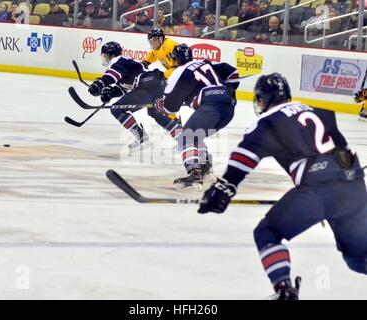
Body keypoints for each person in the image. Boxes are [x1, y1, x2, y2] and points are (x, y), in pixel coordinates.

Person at [198, 73, 367, 300]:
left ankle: (284, 291)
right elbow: (342, 150)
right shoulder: (318, 111)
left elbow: (246, 154)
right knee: (358, 259)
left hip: (317, 190)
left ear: (263, 99)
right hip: (353, 185)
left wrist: (226, 186)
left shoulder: (267, 121)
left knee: (267, 233)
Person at [154, 44, 240, 188]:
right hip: (229, 108)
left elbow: (170, 108)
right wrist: (228, 91)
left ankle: (195, 174)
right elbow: (233, 72)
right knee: (195, 135)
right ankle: (204, 167)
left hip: (212, 107)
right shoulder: (204, 63)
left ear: (175, 59)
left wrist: (160, 105)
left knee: (186, 136)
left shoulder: (179, 72)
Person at [87, 42, 183, 151]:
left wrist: (100, 83)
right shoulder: (126, 64)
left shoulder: (118, 60)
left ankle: (141, 137)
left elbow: (112, 75)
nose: (104, 59)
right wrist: (110, 93)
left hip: (147, 85)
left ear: (112, 55)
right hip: (156, 84)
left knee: (117, 110)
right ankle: (184, 140)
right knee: (156, 114)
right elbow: (123, 88)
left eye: (105, 56)